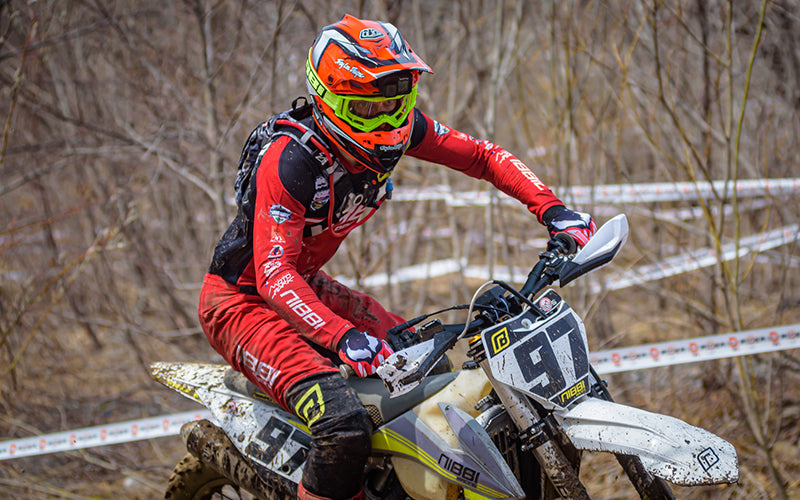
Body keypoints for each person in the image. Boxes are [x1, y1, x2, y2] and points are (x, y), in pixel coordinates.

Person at [198, 14, 596, 500]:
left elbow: (483, 156)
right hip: (239, 303)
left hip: (305, 284)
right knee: (342, 425)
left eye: (393, 104)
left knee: (430, 369)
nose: (386, 122)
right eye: (368, 109)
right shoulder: (291, 161)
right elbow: (273, 274)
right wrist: (343, 336)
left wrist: (554, 210)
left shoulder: (401, 128)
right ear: (329, 101)